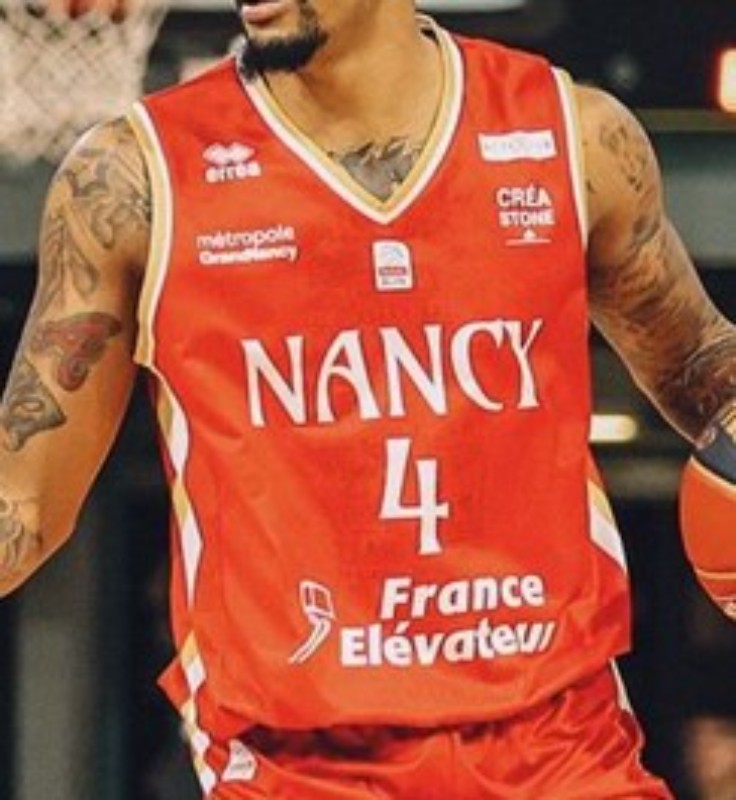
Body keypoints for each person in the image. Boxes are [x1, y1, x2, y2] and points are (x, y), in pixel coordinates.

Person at [1, 1, 735, 797]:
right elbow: (24, 502)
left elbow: (702, 367)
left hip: (561, 753)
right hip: (298, 768)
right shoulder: (135, 178)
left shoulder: (574, 138)